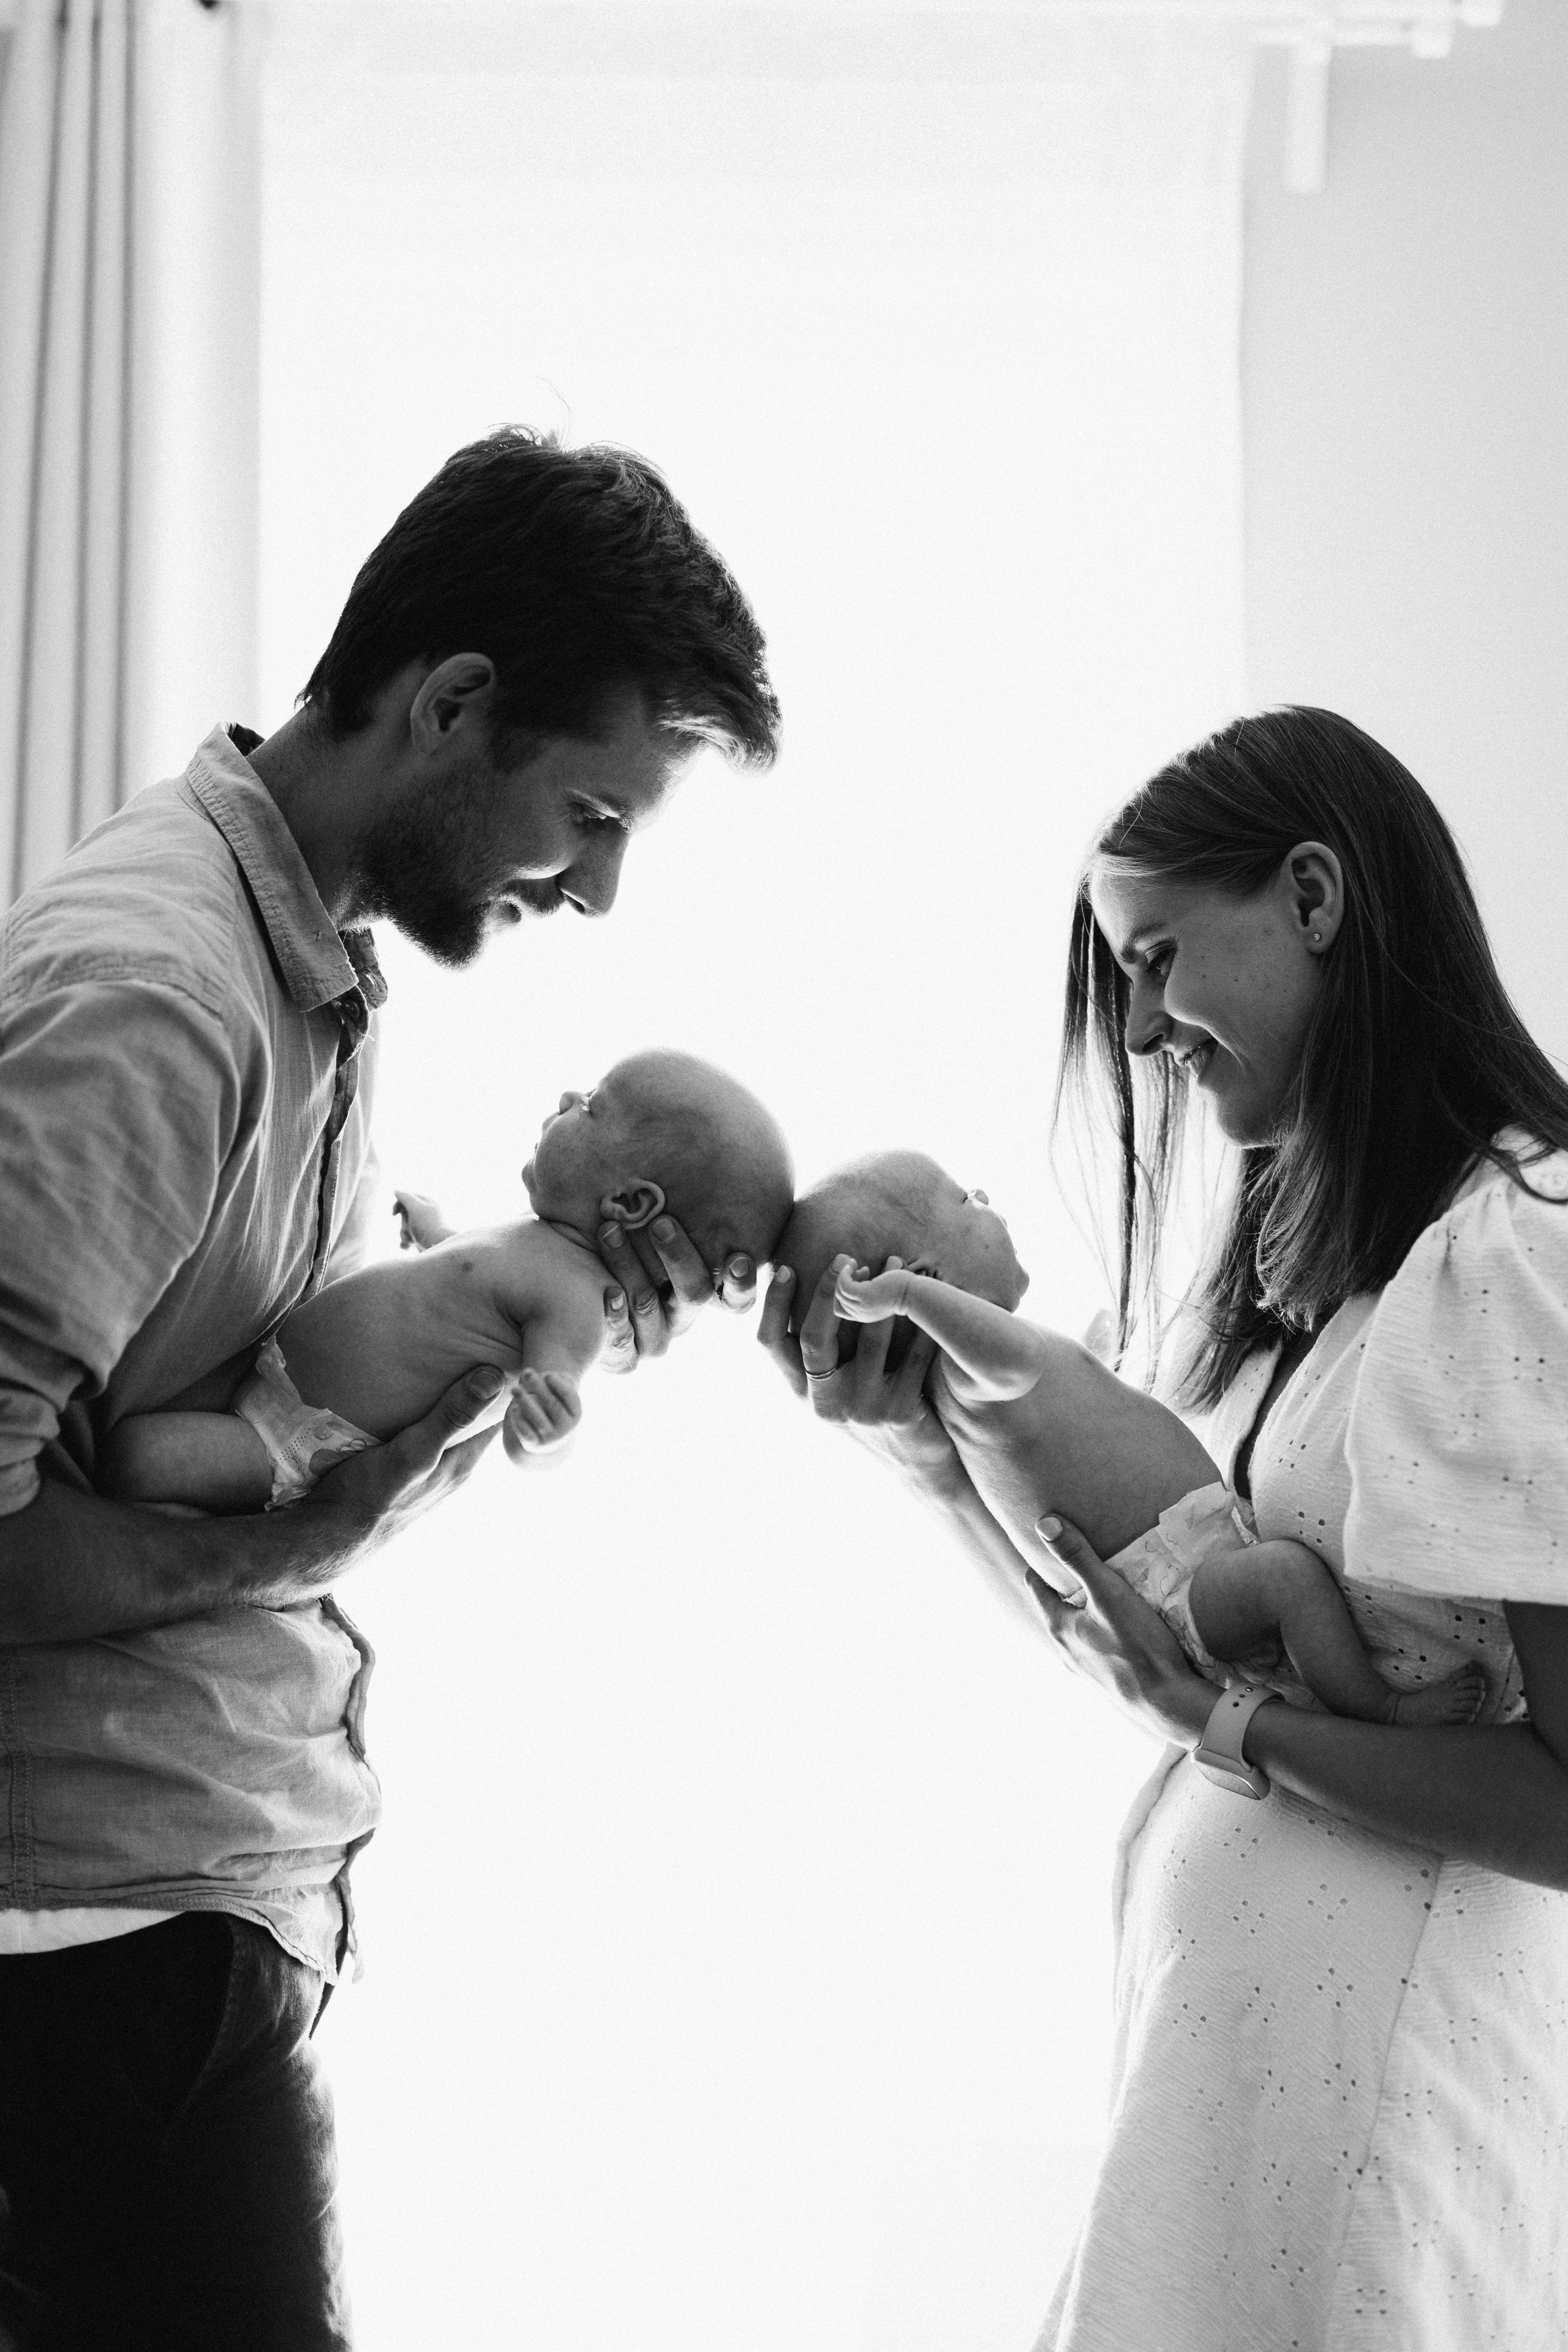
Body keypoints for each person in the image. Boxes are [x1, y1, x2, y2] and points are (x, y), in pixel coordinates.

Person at [0, 428, 779, 2351]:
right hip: (95, 1939)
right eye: (589, 810)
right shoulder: (164, 1000)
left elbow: (222, 1340)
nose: (592, 889)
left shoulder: (305, 972)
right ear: (450, 706)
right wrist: (321, 1526)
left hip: (175, 1905)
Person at [761, 707, 1568, 2349]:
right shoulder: (1331, 1266)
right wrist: (931, 1452)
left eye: (1155, 958)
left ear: (1317, 898)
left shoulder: (1511, 1250)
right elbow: (1144, 1619)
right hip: (1244, 2053)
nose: (1137, 1033)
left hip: (1375, 2081)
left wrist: (1234, 1729)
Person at [798, 1151, 1485, 1727]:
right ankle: (1382, 1708)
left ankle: (1337, 1703)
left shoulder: (978, 1400)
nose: (985, 1197)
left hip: (1170, 1587)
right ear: (924, 1280)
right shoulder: (978, 1375)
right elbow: (1009, 1360)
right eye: (963, 1200)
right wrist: (908, 1303)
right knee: (1288, 1577)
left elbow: (1077, 1431)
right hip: (1176, 1584)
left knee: (1284, 1593)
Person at [102, 1050, 794, 1512]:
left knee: (132, 1459)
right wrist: (433, 1228)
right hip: (269, 1373)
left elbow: (549, 1390)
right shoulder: (536, 1242)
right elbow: (460, 1272)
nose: (563, 1098)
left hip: (290, 1442)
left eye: (589, 1105)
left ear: (631, 1203)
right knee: (126, 1400)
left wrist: (545, 1435)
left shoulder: (581, 1303)